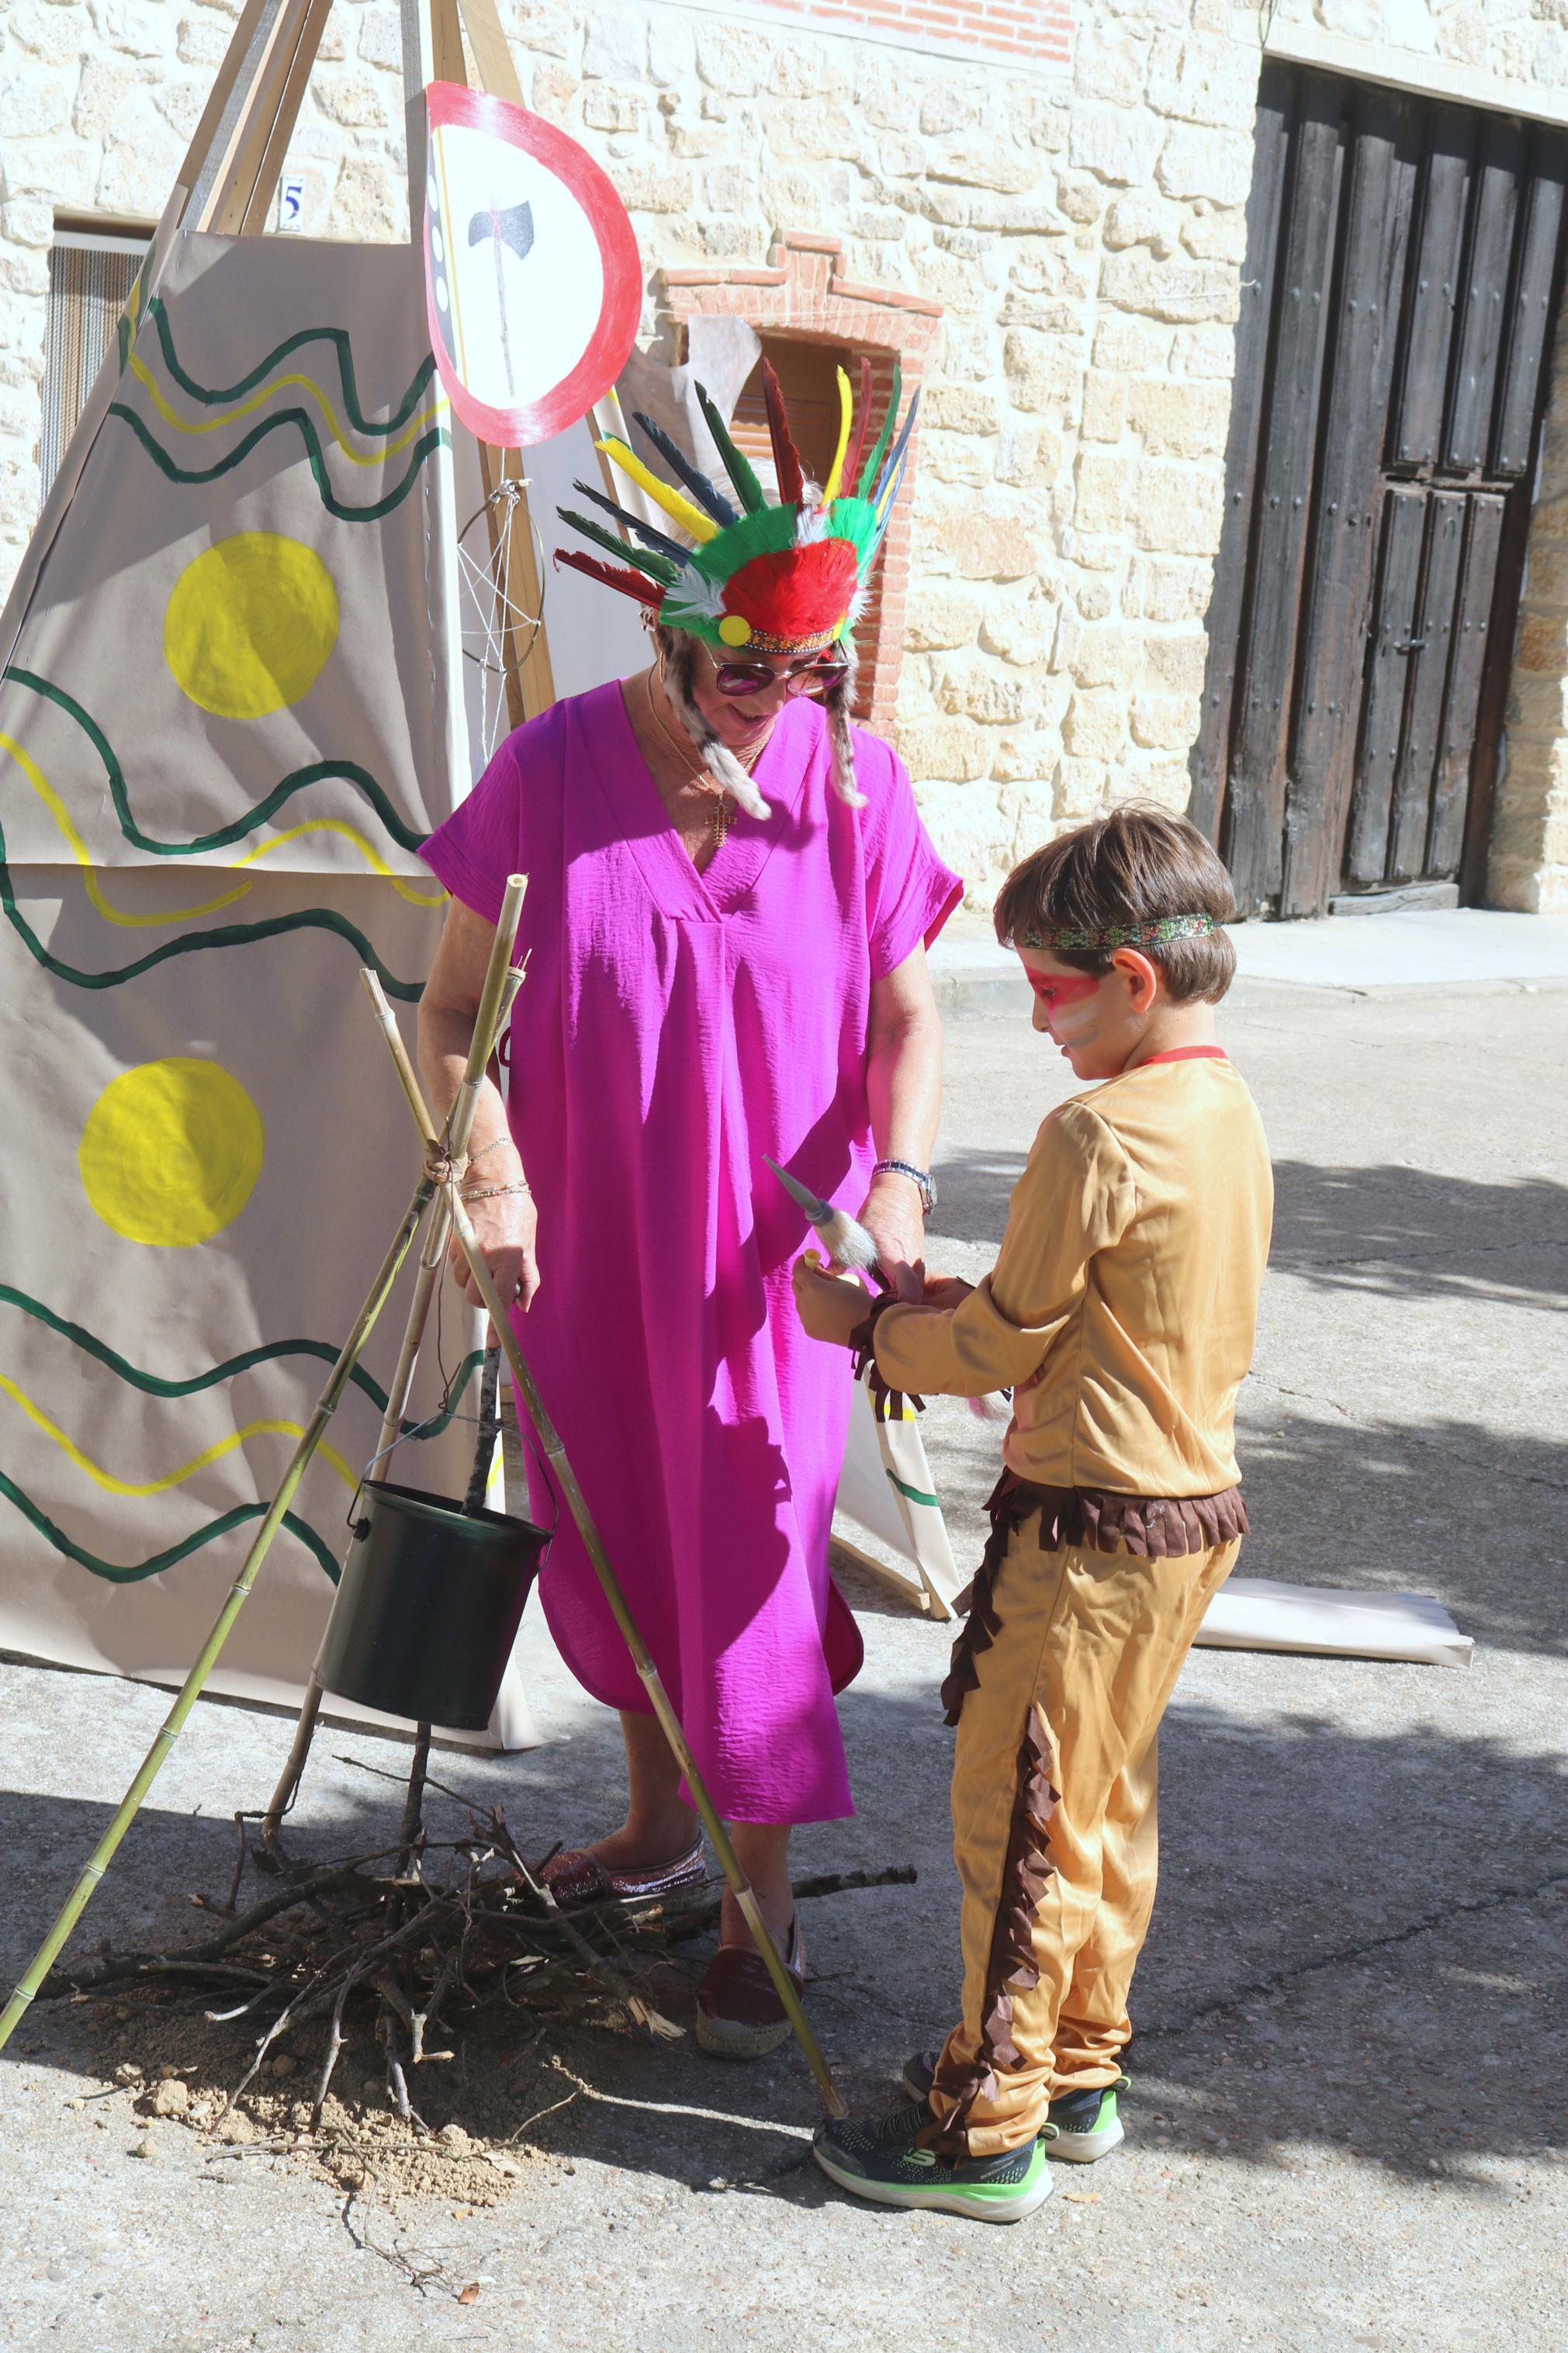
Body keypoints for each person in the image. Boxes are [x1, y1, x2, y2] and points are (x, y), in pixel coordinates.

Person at [417, 359, 961, 2057]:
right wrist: (486, 1167)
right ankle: (660, 1825)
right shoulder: (556, 769)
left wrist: (907, 1179)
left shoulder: (852, 782)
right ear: (664, 634)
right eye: (748, 668)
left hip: (776, 1270)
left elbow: (912, 1015)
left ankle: (758, 1904)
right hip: (594, 1250)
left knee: (750, 1552)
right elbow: (447, 1017)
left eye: (812, 669)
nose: (779, 700)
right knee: (629, 1534)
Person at [793, 806, 1272, 2219]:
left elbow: (999, 1346)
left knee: (1018, 1816)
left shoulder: (1097, 1131)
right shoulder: (1222, 1106)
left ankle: (982, 2125)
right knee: (1104, 1800)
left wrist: (867, 1332)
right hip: (1189, 1510)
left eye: (1049, 993)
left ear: (1132, 979)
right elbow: (1099, 1317)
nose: (1038, 1026)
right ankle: (1078, 2071)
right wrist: (972, 1315)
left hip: (1087, 1529)